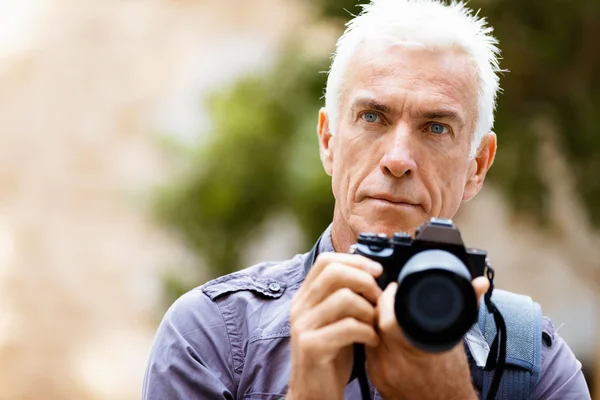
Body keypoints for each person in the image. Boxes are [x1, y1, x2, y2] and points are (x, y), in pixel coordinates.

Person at [142, 0, 591, 399]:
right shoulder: (214, 340)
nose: (398, 160)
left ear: (477, 165)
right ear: (328, 141)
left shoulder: (535, 367)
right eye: (373, 117)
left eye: (436, 127)